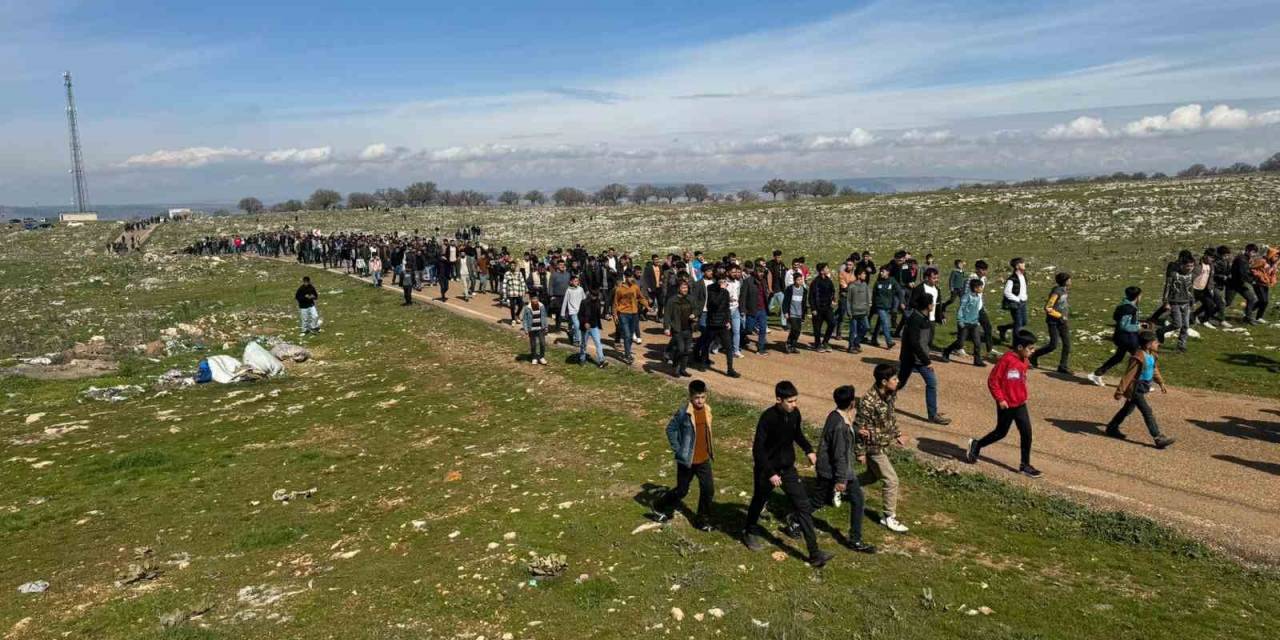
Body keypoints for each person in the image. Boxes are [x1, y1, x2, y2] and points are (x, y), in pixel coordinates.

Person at [742, 381, 834, 568]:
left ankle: (815, 554)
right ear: (779, 400)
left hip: (788, 469)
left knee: (803, 507)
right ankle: (749, 531)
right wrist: (770, 473)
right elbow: (758, 450)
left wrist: (809, 450)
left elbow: (797, 434)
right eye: (790, 401)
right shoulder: (767, 418)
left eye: (795, 400)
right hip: (767, 470)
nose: (794, 404)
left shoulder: (795, 414)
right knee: (759, 500)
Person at [966, 330, 1042, 478]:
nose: (1033, 351)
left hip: (1020, 403)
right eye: (1030, 348)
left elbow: (1019, 380)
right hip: (1006, 405)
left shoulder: (1024, 361)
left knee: (1027, 433)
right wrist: (1000, 399)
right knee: (1001, 432)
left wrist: (1023, 395)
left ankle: (1025, 465)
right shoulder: (1006, 360)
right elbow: (993, 381)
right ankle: (976, 445)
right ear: (1020, 347)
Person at [814, 384, 877, 553]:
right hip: (833, 471)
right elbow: (839, 455)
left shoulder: (836, 416)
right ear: (851, 404)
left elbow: (847, 429)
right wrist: (841, 480)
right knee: (818, 502)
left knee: (857, 499)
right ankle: (796, 519)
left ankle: (855, 538)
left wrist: (857, 431)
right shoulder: (840, 425)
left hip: (834, 469)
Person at [650, 380, 716, 530]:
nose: (700, 401)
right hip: (687, 460)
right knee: (682, 490)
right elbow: (670, 429)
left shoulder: (707, 410)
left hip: (704, 458)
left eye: (703, 397)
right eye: (697, 398)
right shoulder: (683, 412)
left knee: (708, 489)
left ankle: (702, 520)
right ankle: (658, 505)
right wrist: (678, 449)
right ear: (690, 397)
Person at [855, 364, 910, 533]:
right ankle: (889, 517)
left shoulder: (890, 394)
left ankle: (840, 485)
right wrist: (860, 452)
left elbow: (890, 417)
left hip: (883, 443)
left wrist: (897, 434)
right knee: (891, 480)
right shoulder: (868, 401)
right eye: (894, 379)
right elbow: (859, 427)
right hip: (872, 446)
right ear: (884, 381)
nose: (898, 381)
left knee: (872, 476)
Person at [1105, 331, 1177, 449]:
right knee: (1147, 411)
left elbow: (1154, 370)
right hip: (1136, 388)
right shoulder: (1138, 357)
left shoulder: (1151, 355)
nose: (1158, 343)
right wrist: (1119, 391)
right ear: (1148, 344)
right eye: (1155, 342)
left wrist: (1160, 382)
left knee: (1127, 409)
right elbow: (1128, 375)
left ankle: (1112, 427)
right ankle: (1158, 437)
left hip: (1144, 386)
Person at [898, 296, 951, 425]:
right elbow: (915, 343)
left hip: (917, 358)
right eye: (932, 304)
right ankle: (878, 398)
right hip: (913, 358)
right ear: (928, 306)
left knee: (900, 383)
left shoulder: (922, 317)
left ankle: (932, 414)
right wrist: (926, 361)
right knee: (900, 383)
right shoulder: (915, 319)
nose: (934, 305)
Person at [1088, 287, 1144, 386]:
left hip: (1121, 336)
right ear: (1137, 296)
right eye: (1140, 295)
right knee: (1140, 358)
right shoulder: (1129, 308)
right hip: (1128, 338)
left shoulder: (1123, 305)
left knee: (1118, 357)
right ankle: (1138, 383)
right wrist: (1138, 327)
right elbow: (1124, 325)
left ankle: (1097, 374)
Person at [697, 271, 740, 378]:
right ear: (717, 281)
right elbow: (714, 303)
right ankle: (703, 363)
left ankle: (730, 369)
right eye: (722, 280)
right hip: (712, 322)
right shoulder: (710, 289)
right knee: (707, 343)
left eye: (725, 280)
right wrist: (721, 289)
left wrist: (728, 320)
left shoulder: (725, 292)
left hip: (723, 323)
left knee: (729, 347)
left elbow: (726, 308)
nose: (725, 283)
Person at [1030, 272, 1072, 372]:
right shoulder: (1057, 292)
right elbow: (1048, 307)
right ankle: (1034, 355)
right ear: (1065, 281)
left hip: (1063, 322)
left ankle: (1063, 366)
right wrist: (1060, 316)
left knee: (1067, 344)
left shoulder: (1064, 290)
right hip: (1053, 322)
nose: (1071, 281)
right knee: (1053, 345)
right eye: (1069, 279)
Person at [941, 278, 985, 366]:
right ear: (975, 288)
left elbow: (976, 310)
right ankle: (947, 351)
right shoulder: (967, 296)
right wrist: (960, 321)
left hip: (974, 323)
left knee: (977, 342)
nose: (982, 288)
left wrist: (977, 320)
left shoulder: (978, 297)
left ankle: (977, 360)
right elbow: (961, 309)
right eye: (980, 287)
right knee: (960, 342)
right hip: (964, 322)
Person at [613, 270, 649, 364]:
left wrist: (647, 306)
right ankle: (627, 355)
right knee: (627, 335)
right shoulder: (619, 289)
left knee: (631, 335)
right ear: (625, 277)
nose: (631, 278)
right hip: (623, 313)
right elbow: (615, 303)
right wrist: (615, 315)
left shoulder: (635, 287)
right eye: (629, 277)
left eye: (631, 276)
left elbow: (640, 297)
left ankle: (627, 352)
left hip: (634, 314)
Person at [663, 280, 697, 377]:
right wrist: (666, 328)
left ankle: (683, 369)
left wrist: (694, 314)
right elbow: (667, 315)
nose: (685, 289)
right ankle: (676, 368)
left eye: (686, 288)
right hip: (677, 329)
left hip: (688, 328)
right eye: (683, 288)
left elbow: (696, 308)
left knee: (686, 350)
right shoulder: (672, 300)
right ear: (678, 289)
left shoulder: (691, 299)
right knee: (681, 349)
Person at [1162, 257, 1195, 351]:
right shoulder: (1173, 275)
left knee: (1186, 325)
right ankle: (1160, 331)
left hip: (1186, 303)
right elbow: (1167, 288)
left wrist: (1192, 301)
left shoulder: (1191, 275)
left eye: (1192, 266)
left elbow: (1191, 289)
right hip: (1175, 302)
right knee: (1177, 324)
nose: (1190, 268)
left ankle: (1181, 345)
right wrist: (1165, 302)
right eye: (1188, 266)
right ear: (1182, 265)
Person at [997, 258, 1028, 343]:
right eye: (1022, 263)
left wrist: (1025, 297)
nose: (1024, 264)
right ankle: (1016, 344)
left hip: (1023, 302)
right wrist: (1017, 299)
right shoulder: (1012, 279)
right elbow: (1007, 292)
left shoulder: (1024, 275)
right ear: (1017, 266)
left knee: (1024, 322)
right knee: (1018, 323)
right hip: (1016, 304)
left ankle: (1003, 328)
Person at [809, 263, 837, 352]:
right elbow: (811, 297)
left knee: (832, 323)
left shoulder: (829, 280)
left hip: (827, 307)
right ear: (821, 271)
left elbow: (832, 291)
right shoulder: (815, 282)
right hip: (818, 308)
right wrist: (813, 309)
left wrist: (833, 299)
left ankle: (825, 342)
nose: (828, 269)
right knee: (817, 328)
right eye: (826, 268)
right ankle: (817, 345)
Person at [869, 265, 898, 349]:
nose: (881, 273)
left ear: (888, 272)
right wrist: (874, 305)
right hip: (880, 306)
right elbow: (874, 295)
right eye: (880, 271)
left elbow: (898, 290)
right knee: (885, 323)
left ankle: (874, 338)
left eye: (883, 271)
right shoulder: (878, 283)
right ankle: (889, 341)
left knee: (880, 322)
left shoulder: (892, 281)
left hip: (887, 306)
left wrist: (901, 301)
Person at [844, 267, 871, 353]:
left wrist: (867, 309)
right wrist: (849, 312)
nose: (865, 275)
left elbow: (868, 298)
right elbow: (848, 300)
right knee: (853, 330)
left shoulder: (865, 285)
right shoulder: (852, 286)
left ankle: (856, 342)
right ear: (859, 275)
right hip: (854, 312)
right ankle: (851, 346)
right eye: (863, 274)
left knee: (866, 328)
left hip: (863, 312)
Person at [781, 269, 808, 354]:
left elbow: (804, 304)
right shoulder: (790, 289)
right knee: (794, 329)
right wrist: (785, 312)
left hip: (799, 314)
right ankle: (789, 344)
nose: (800, 281)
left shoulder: (804, 290)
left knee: (798, 331)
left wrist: (804, 314)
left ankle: (793, 345)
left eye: (801, 279)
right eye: (798, 280)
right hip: (791, 313)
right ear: (794, 280)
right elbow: (785, 302)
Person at [520, 292, 549, 365]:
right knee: (533, 344)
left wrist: (546, 326)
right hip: (532, 329)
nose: (535, 300)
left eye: (536, 298)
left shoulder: (541, 306)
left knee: (542, 343)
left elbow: (544, 317)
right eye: (533, 299)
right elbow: (525, 319)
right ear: (530, 299)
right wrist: (526, 329)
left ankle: (541, 357)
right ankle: (534, 357)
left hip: (540, 328)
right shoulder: (527, 308)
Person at [560, 274, 586, 346]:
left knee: (578, 326)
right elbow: (565, 302)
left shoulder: (581, 289)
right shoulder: (568, 290)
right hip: (572, 311)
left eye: (577, 281)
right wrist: (562, 313)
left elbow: (584, 299)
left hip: (580, 311)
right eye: (575, 281)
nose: (576, 282)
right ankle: (577, 340)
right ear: (571, 282)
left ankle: (571, 333)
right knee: (577, 325)